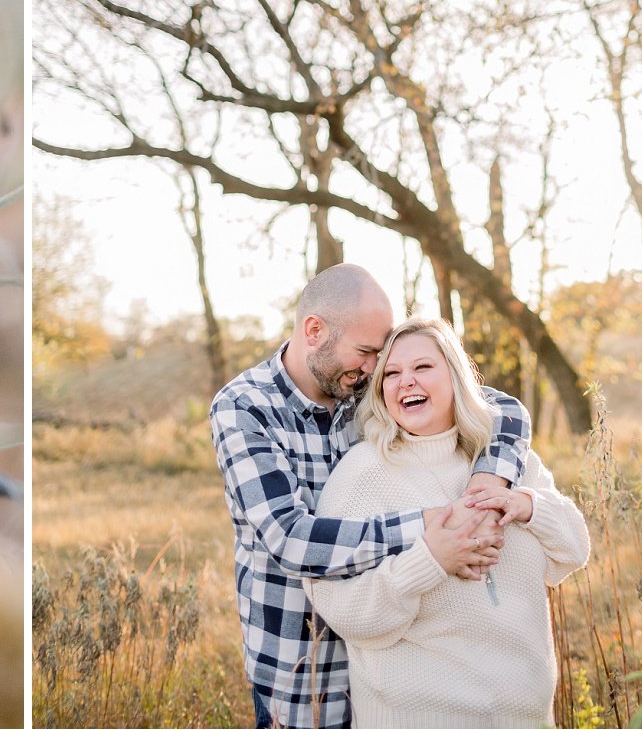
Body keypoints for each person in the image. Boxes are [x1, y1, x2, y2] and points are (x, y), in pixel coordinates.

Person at [210, 264, 531, 728]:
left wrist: (487, 483)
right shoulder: (244, 408)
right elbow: (292, 540)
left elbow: (501, 407)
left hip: (396, 664)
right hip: (305, 666)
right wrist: (435, 527)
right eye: (365, 352)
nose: (373, 367)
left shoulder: (363, 388)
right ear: (314, 331)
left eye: (379, 355)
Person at [305, 317, 590, 727]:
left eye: (423, 367)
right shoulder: (361, 475)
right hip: (417, 718)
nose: (406, 382)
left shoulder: (510, 461)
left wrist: (526, 504)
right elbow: (344, 612)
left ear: (456, 377)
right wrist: (429, 562)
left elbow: (575, 551)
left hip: (526, 717)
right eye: (392, 373)